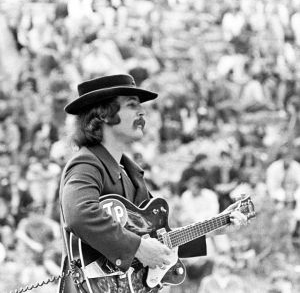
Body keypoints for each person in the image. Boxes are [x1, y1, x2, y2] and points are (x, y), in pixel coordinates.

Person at [58, 74, 248, 293]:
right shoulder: (87, 163)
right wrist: (137, 248)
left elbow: (157, 240)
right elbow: (79, 214)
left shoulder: (130, 172)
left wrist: (215, 227)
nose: (142, 112)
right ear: (104, 114)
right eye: (131, 105)